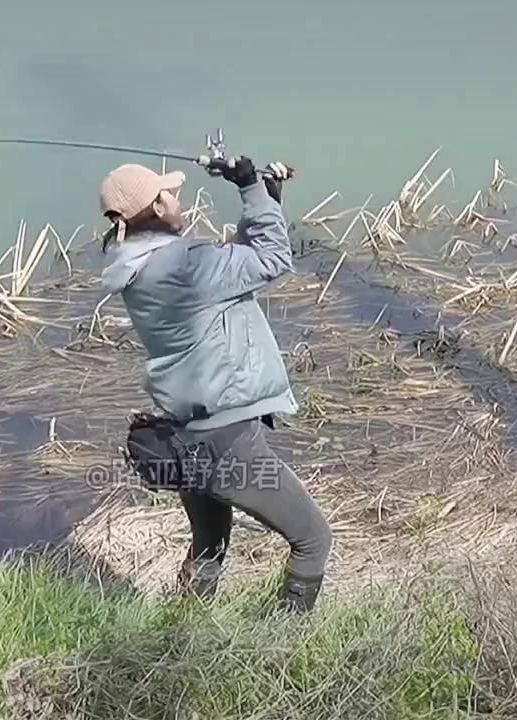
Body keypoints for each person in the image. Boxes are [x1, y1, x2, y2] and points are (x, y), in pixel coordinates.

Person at [99, 156, 332, 612]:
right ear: (158, 207)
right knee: (313, 539)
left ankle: (184, 631)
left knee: (210, 546)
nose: (178, 201)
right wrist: (250, 189)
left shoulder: (141, 268)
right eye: (170, 195)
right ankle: (289, 637)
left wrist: (268, 201)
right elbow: (272, 259)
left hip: (186, 436)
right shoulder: (184, 264)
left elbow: (231, 268)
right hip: (227, 443)